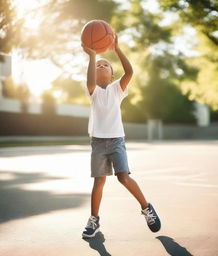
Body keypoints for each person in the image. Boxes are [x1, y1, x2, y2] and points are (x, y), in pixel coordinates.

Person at [81, 35, 161, 238]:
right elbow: (90, 79)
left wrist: (116, 49)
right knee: (99, 181)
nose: (100, 66)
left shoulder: (117, 89)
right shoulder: (93, 91)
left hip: (116, 140)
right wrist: (92, 56)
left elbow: (130, 71)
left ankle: (146, 208)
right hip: (98, 141)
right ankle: (94, 219)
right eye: (98, 65)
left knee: (123, 177)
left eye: (105, 65)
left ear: (111, 73)